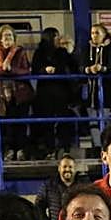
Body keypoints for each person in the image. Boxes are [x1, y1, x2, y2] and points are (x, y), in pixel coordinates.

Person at [31, 28, 80, 159]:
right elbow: (34, 70)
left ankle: (65, 148)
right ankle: (50, 148)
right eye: (55, 36)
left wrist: (70, 51)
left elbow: (74, 67)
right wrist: (44, 70)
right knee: (47, 122)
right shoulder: (39, 53)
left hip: (62, 92)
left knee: (64, 120)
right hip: (45, 93)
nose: (59, 39)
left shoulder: (62, 52)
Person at [0, 25, 34, 162]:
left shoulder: (20, 52)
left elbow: (26, 71)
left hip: (21, 93)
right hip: (3, 95)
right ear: (0, 39)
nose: (7, 38)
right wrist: (4, 70)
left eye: (10, 35)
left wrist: (11, 70)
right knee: (7, 125)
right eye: (5, 36)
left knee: (21, 123)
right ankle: (9, 150)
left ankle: (21, 151)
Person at [34, 154, 77, 220]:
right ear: (59, 168)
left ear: (75, 169)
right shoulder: (49, 185)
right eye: (64, 166)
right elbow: (38, 207)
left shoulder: (83, 186)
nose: (67, 169)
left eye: (70, 167)